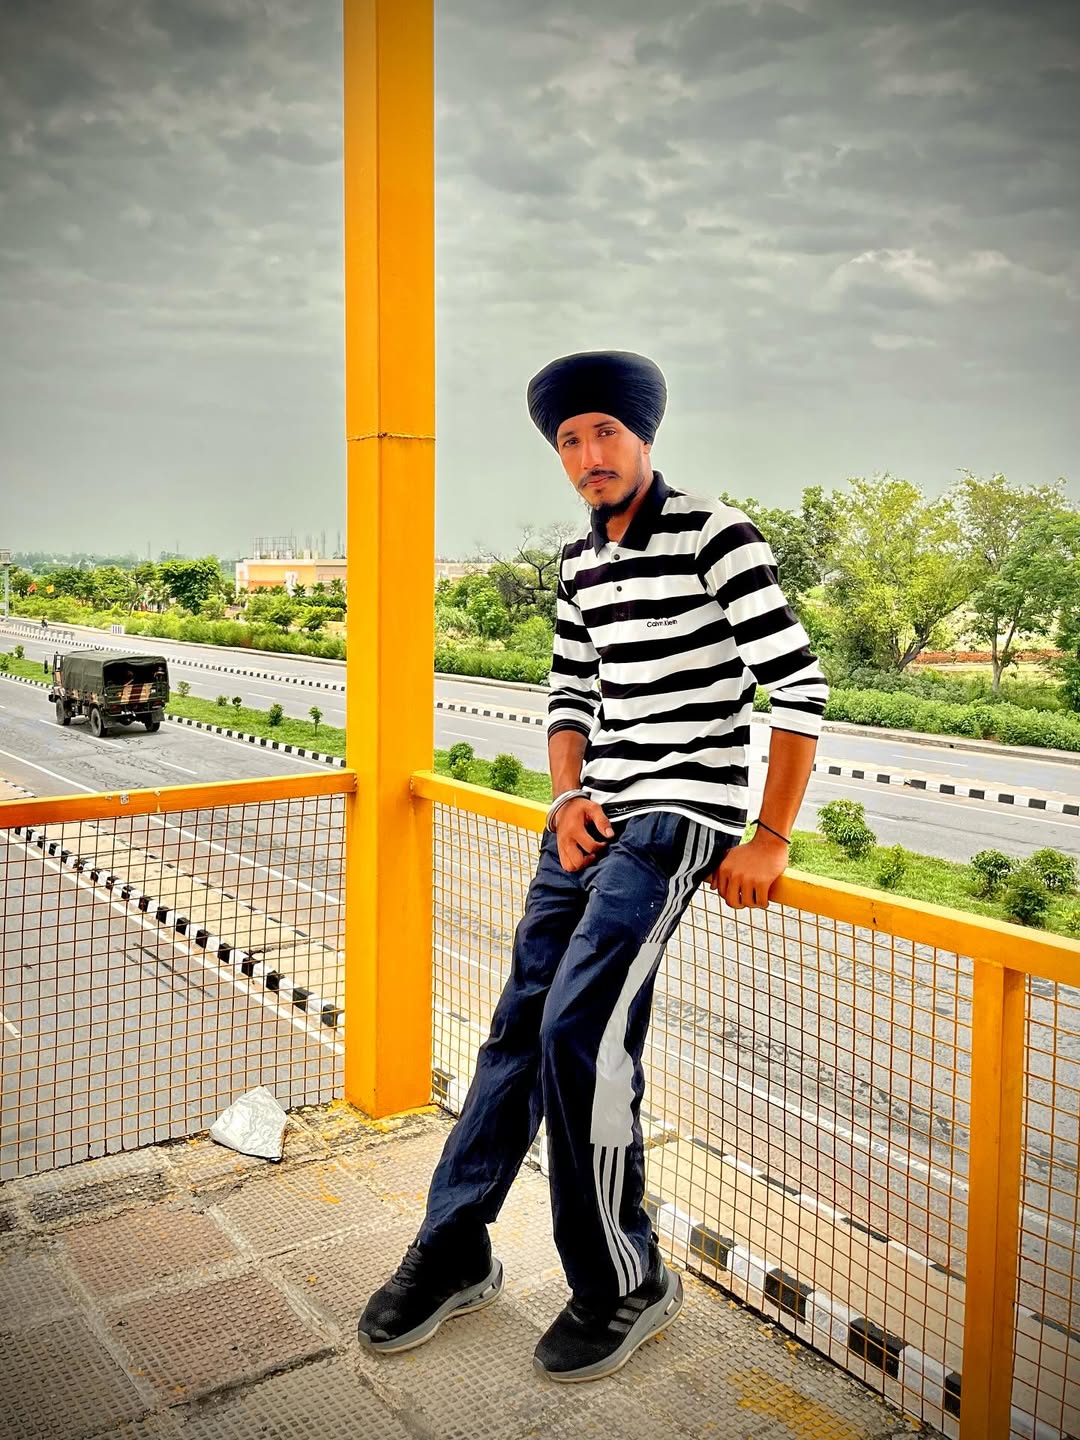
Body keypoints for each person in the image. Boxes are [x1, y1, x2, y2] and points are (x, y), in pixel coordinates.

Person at [357, 350, 828, 1381]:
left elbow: (798, 685)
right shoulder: (579, 561)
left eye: (604, 432)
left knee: (583, 1030)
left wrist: (771, 834)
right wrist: (566, 796)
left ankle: (624, 1279)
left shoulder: (716, 534)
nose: (586, 455)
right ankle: (453, 1247)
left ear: (643, 435)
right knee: (518, 1026)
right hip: (590, 817)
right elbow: (571, 693)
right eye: (568, 440)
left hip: (678, 818)